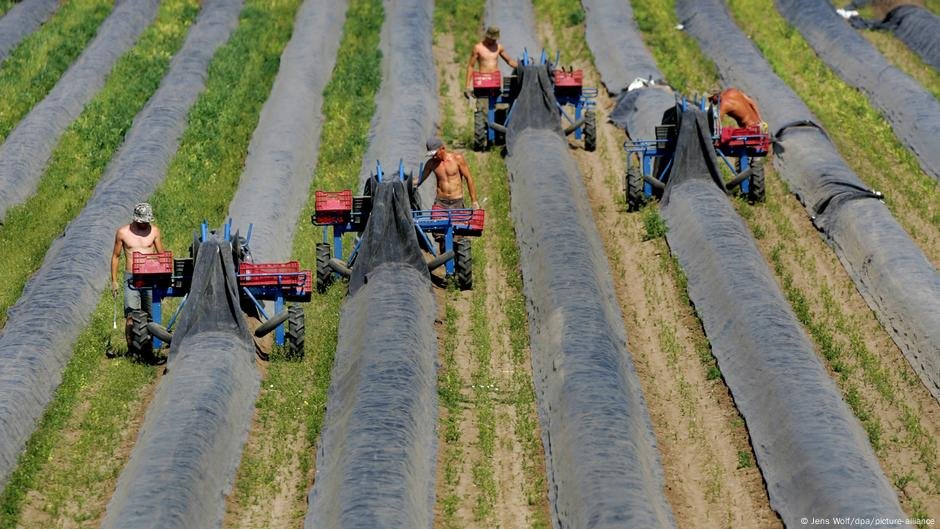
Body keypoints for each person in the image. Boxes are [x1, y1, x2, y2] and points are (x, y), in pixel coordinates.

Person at [111, 203, 164, 321]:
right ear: (136, 219)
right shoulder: (123, 233)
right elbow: (116, 256)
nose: (145, 224)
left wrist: (163, 279)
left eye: (147, 221)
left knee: (152, 314)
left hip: (150, 277)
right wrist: (114, 281)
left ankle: (151, 338)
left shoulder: (154, 231)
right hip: (132, 278)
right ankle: (132, 338)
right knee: (131, 315)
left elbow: (161, 256)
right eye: (143, 222)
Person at [420, 137, 480, 211]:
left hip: (457, 202)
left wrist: (474, 201)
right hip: (440, 203)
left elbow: (468, 178)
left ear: (442, 148)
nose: (434, 156)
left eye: (436, 153)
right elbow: (420, 179)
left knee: (458, 223)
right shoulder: (431, 163)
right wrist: (409, 183)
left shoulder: (457, 159)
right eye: (432, 155)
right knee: (437, 222)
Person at [465, 26, 518, 98]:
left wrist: (521, 67)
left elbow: (509, 61)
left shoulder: (498, 47)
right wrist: (467, 86)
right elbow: (471, 66)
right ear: (487, 37)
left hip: (495, 83)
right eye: (492, 39)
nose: (494, 41)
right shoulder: (478, 48)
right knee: (482, 105)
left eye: (495, 39)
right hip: (482, 83)